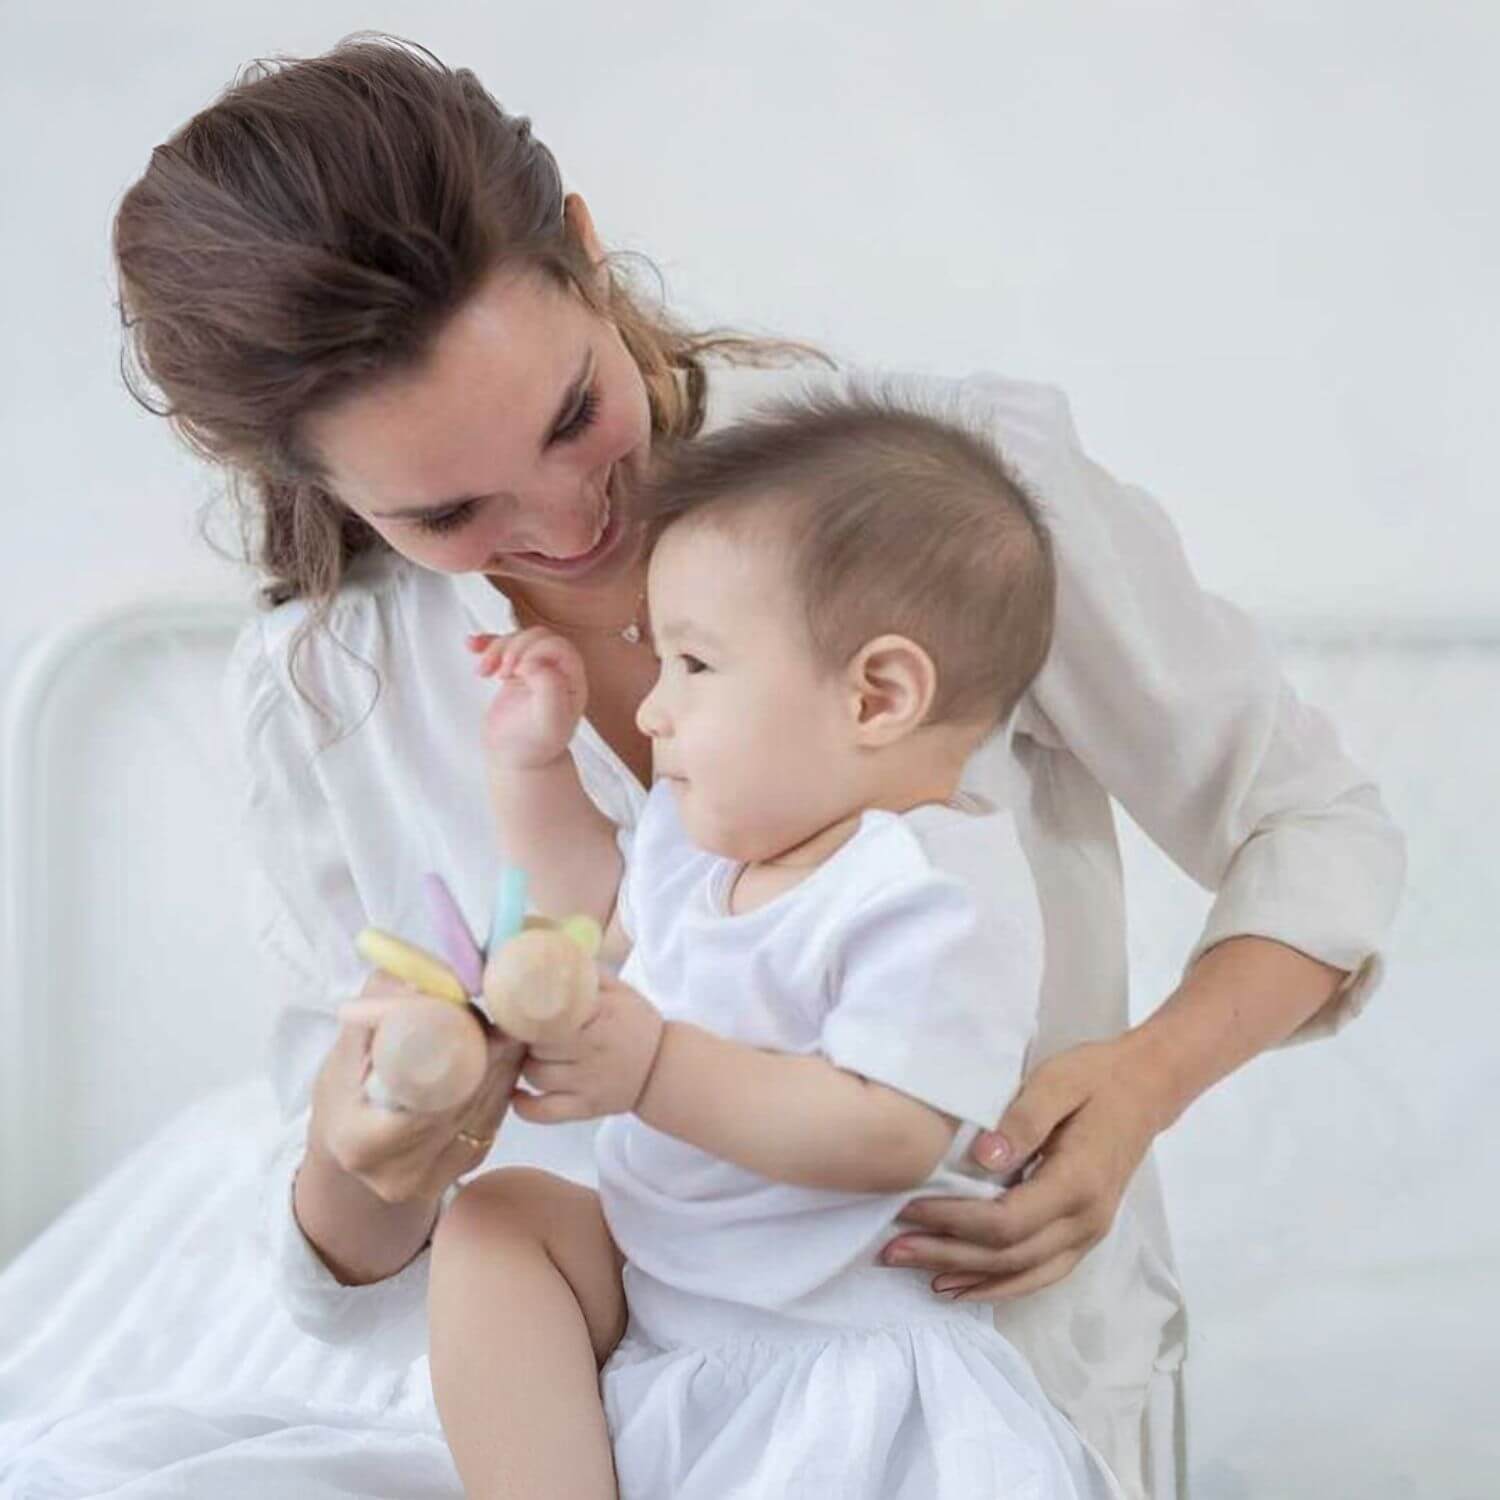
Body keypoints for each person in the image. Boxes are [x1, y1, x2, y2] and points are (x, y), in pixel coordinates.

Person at [105, 34, 1405, 1500]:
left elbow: (1312, 825)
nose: (571, 520)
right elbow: (341, 1277)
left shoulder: (937, 495)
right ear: (319, 492)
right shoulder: (324, 694)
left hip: (956, 1356)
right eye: (453, 509)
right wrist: (378, 1143)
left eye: (570, 416)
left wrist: (1141, 1083)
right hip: (589, 1401)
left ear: (586, 254)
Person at [422, 390, 1121, 1498]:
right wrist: (533, 767)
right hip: (667, 1300)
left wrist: (653, 1067)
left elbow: (889, 1128)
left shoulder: (929, 886)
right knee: (496, 1227)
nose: (651, 711)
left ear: (878, 695)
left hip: (834, 1347)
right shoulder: (704, 850)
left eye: (695, 667)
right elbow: (581, 924)